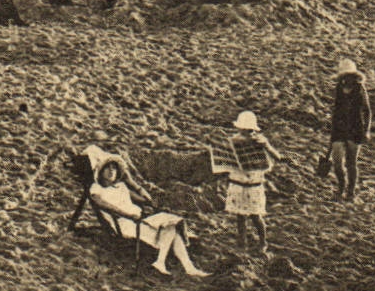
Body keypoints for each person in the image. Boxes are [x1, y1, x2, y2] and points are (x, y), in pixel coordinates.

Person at [85, 148, 209, 277]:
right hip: (125, 224)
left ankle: (182, 266)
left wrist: (132, 183)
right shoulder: (96, 188)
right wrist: (127, 214)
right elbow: (103, 204)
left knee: (172, 225)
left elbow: (145, 199)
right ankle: (172, 264)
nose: (111, 171)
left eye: (114, 168)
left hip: (138, 220)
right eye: (108, 168)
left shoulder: (121, 186)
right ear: (101, 171)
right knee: (171, 228)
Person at [221, 110, 282, 256]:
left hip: (253, 185)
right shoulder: (233, 141)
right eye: (244, 130)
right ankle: (242, 243)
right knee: (240, 216)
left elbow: (277, 157)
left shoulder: (260, 142)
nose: (246, 133)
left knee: (255, 216)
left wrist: (266, 145)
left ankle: (263, 242)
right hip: (238, 183)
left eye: (249, 131)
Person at [327, 60, 372, 201]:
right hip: (339, 129)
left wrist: (367, 130)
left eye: (350, 75)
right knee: (337, 162)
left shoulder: (360, 89)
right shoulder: (339, 89)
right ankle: (341, 187)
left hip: (355, 128)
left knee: (351, 163)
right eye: (345, 76)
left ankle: (350, 192)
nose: (347, 78)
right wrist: (332, 131)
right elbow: (336, 111)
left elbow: (367, 111)